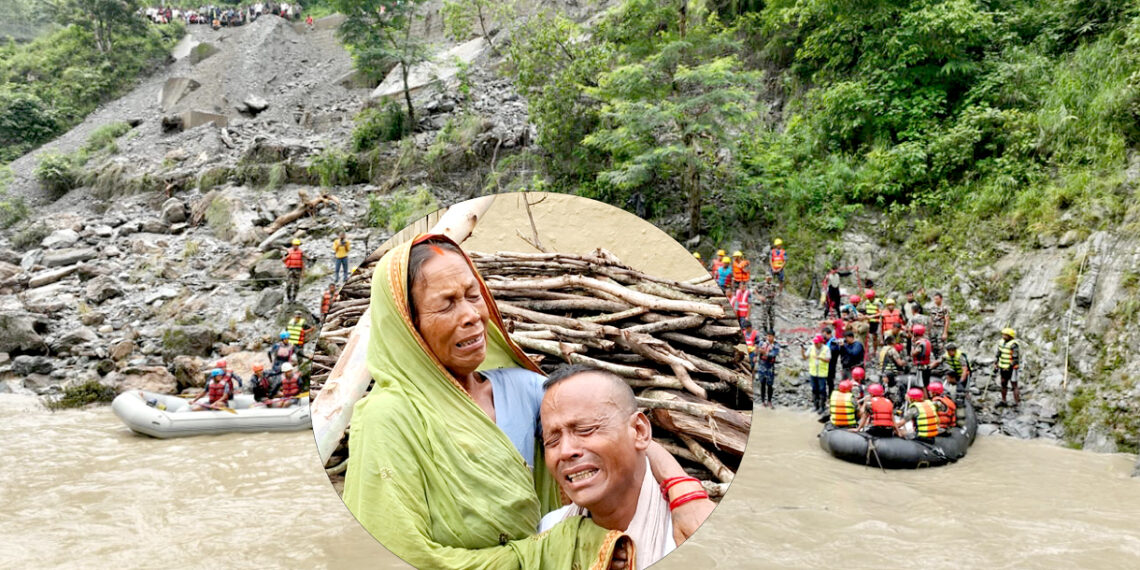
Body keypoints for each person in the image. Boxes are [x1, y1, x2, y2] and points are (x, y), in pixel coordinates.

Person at [341, 234, 705, 569]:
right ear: (409, 325)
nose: (471, 315)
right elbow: (395, 552)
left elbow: (623, 430)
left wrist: (684, 493)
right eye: (447, 304)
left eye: (472, 295)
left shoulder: (524, 390)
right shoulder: (388, 417)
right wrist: (562, 547)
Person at [538, 367, 714, 567]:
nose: (565, 451)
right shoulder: (548, 532)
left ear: (639, 431)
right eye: (551, 441)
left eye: (585, 430)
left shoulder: (690, 531)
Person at [802, 335, 831, 414]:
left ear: (821, 342)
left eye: (817, 343)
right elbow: (805, 357)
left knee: (822, 390)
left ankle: (822, 406)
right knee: (814, 389)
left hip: (822, 373)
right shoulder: (811, 348)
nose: (815, 344)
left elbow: (828, 359)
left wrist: (819, 358)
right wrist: (802, 350)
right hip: (813, 372)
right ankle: (815, 406)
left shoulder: (826, 348)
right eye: (814, 343)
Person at [994, 327, 1021, 406]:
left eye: (1005, 335)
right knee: (1003, 383)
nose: (1003, 336)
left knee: (1014, 384)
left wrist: (1009, 366)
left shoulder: (1014, 345)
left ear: (1010, 336)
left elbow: (1015, 358)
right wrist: (996, 362)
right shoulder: (1001, 342)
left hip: (1012, 368)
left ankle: (1017, 402)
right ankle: (1003, 400)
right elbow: (998, 353)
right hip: (1003, 366)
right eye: (1003, 334)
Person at [755, 330, 779, 408]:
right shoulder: (762, 343)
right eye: (767, 336)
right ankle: (762, 401)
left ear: (773, 337)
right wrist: (757, 351)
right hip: (762, 366)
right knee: (762, 384)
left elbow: (773, 354)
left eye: (770, 336)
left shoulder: (776, 345)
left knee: (770, 385)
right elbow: (757, 349)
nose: (768, 338)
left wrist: (764, 352)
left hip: (770, 367)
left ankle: (769, 401)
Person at [859, 288, 882, 355]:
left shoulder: (878, 302)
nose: (869, 299)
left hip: (875, 321)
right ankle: (867, 351)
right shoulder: (866, 302)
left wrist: (872, 316)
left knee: (874, 336)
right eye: (868, 298)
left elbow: (881, 313)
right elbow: (863, 311)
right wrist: (864, 316)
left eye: (871, 298)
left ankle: (875, 351)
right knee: (866, 337)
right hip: (867, 321)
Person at [928, 292, 950, 358]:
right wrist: (929, 330)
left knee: (941, 346)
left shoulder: (944, 308)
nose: (936, 301)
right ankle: (935, 360)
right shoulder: (932, 308)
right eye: (935, 299)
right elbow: (931, 319)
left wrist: (945, 332)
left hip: (941, 328)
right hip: (933, 328)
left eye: (937, 299)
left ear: (941, 299)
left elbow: (947, 320)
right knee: (933, 345)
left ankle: (942, 360)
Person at [910, 324, 933, 388]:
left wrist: (912, 346)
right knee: (925, 384)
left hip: (921, 368)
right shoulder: (927, 341)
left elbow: (913, 353)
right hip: (926, 366)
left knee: (922, 386)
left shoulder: (919, 343)